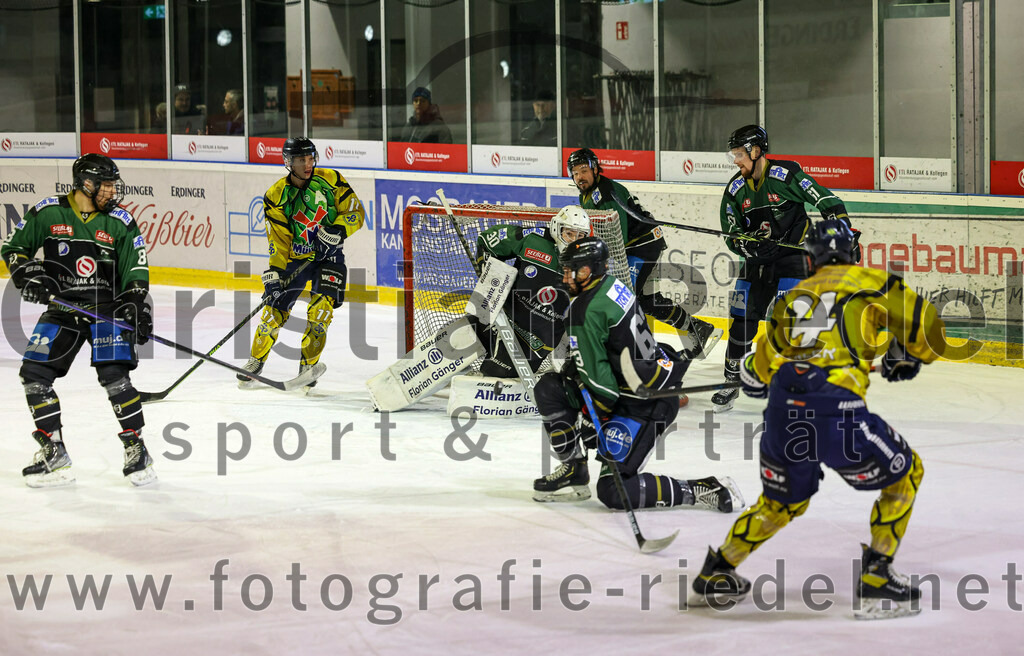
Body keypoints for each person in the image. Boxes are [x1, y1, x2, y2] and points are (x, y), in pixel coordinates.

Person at [690, 220, 943, 620]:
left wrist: (760, 377)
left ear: (810, 259)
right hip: (835, 411)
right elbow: (928, 329)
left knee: (779, 503)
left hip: (782, 412)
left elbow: (758, 374)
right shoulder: (870, 280)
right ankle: (876, 579)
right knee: (905, 476)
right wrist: (906, 354)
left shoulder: (794, 297)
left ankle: (717, 573)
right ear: (851, 253)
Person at [531, 236, 743, 512]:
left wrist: (595, 422)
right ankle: (574, 470)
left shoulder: (584, 312)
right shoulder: (612, 285)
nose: (568, 277)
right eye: (568, 269)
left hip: (645, 403)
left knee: (614, 491)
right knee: (551, 387)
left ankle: (702, 489)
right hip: (640, 383)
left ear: (595, 269)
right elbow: (611, 349)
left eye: (578, 270)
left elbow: (602, 387)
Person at [1, 154, 156, 488]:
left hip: (107, 308)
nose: (113, 191)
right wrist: (30, 275)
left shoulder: (120, 220)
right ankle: (54, 449)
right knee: (34, 376)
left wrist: (135, 304)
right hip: (63, 308)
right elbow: (14, 249)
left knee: (115, 378)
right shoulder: (48, 212)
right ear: (86, 183)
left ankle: (136, 448)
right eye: (107, 184)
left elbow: (136, 267)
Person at [711, 124, 859, 412]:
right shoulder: (735, 189)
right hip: (756, 263)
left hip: (793, 258)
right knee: (741, 321)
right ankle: (732, 380)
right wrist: (749, 247)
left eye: (739, 154)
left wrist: (844, 232)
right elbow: (732, 234)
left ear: (756, 151)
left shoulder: (786, 175)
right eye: (733, 155)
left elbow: (828, 201)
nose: (736, 161)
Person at [567, 147, 718, 361]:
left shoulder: (606, 193)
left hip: (642, 247)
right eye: (575, 173)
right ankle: (697, 327)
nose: (579, 177)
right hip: (640, 246)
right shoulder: (588, 194)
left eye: (583, 170)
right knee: (648, 301)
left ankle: (637, 352)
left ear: (594, 168)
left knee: (626, 299)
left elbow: (617, 237)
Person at [237, 137, 365, 389]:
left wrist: (338, 231)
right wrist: (274, 272)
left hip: (329, 258)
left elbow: (355, 212)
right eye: (300, 160)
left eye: (310, 158)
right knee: (274, 310)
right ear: (288, 162)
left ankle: (308, 366)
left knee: (321, 312)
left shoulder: (331, 179)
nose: (307, 165)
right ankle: (256, 360)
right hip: (295, 260)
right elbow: (278, 239)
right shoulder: (276, 196)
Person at [472, 205, 590, 378]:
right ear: (557, 228)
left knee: (494, 375)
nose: (574, 241)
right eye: (569, 233)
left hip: (534, 343)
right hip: (502, 319)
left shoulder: (587, 265)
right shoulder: (533, 239)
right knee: (456, 339)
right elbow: (487, 241)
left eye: (580, 236)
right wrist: (490, 273)